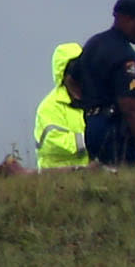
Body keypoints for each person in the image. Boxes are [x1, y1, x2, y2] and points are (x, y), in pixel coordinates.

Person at [69, 0, 135, 165]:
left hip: (92, 126)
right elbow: (130, 106)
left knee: (103, 178)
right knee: (126, 179)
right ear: (126, 19)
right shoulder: (125, 57)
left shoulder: (94, 44)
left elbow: (71, 80)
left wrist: (89, 103)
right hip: (116, 130)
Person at [32, 42, 90, 171]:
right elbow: (53, 143)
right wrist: (92, 140)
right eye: (75, 69)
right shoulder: (50, 107)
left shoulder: (96, 100)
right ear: (64, 74)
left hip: (93, 177)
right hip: (57, 182)